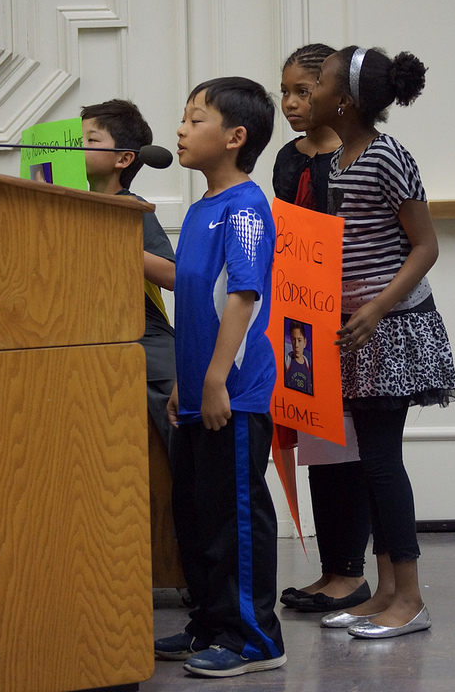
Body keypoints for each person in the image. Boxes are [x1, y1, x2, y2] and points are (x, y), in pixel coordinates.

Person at [310, 46, 455, 638]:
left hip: (392, 328)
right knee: (370, 464)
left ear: (344, 100)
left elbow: (425, 246)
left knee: (381, 462)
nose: (308, 91)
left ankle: (411, 600)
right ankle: (387, 591)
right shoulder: (345, 158)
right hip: (358, 329)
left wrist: (374, 308)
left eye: (317, 82)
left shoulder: (387, 156)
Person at [154, 77, 286, 678]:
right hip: (201, 385)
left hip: (235, 392)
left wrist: (214, 381)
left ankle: (255, 637)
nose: (180, 129)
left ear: (235, 137)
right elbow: (193, 295)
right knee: (199, 511)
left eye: (195, 119)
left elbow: (244, 295)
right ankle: (212, 621)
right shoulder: (205, 207)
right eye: (183, 119)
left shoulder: (247, 206)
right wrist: (188, 377)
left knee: (235, 512)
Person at [274, 43, 372, 614]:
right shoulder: (288, 158)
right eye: (283, 91)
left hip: (349, 319)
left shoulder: (359, 157)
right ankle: (331, 568)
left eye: (302, 92)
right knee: (316, 442)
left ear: (336, 96)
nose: (289, 103)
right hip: (301, 319)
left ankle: (352, 573)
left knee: (352, 448)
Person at [80, 99, 176, 450]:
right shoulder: (69, 209)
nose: (78, 146)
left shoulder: (130, 208)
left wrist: (115, 243)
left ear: (123, 159)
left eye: (91, 140)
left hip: (144, 342)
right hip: (91, 342)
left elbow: (173, 275)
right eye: (76, 139)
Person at [284, 320, 313, 395]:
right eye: (293, 340)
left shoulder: (309, 367)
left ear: (305, 342)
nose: (296, 345)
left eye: (299, 340)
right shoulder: (286, 363)